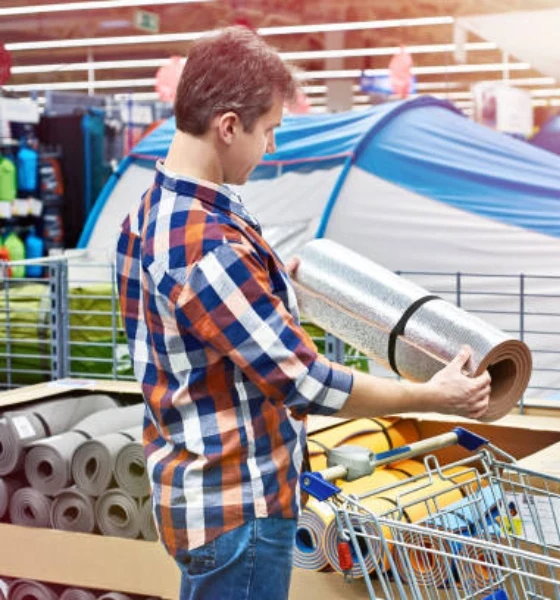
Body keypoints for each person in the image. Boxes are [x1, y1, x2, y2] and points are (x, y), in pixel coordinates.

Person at [115, 26, 491, 600]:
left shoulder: (150, 211)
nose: (271, 149)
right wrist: (432, 396)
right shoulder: (208, 246)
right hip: (239, 509)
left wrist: (266, 288)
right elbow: (306, 383)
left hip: (196, 493)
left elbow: (201, 330)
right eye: (268, 131)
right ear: (229, 126)